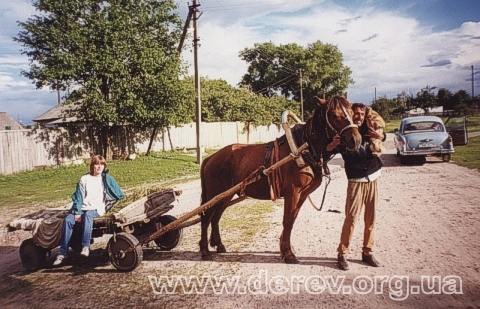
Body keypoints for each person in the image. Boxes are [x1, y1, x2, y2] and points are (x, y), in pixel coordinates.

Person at [325, 103, 386, 271]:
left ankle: (367, 252)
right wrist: (331, 145)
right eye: (356, 113)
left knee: (371, 219)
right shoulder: (344, 133)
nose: (358, 116)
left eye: (361, 113)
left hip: (373, 178)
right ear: (351, 115)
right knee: (351, 219)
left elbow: (381, 134)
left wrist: (382, 137)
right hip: (356, 181)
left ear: (365, 114)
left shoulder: (369, 128)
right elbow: (327, 151)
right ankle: (342, 253)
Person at [53, 155, 124, 266]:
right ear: (92, 166)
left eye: (101, 164)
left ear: (104, 166)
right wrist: (77, 212)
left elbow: (118, 193)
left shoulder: (106, 179)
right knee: (67, 221)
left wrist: (111, 203)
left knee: (88, 216)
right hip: (82, 208)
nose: (99, 167)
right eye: (96, 164)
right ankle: (62, 252)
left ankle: (85, 246)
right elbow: (78, 196)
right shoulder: (84, 179)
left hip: (97, 208)